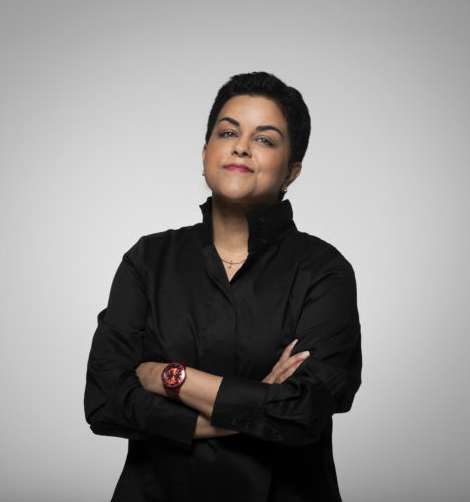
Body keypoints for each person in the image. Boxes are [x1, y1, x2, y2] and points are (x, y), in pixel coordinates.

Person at [84, 71, 362, 501]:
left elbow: (302, 411)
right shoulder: (148, 260)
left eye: (264, 139)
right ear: (205, 153)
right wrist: (256, 406)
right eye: (228, 132)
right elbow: (105, 403)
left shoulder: (324, 271)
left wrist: (169, 378)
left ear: (291, 172)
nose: (241, 146)